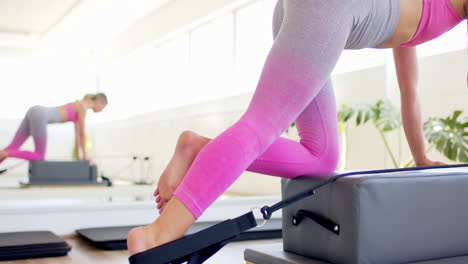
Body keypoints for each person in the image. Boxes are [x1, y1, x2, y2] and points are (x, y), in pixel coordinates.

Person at [127, 0, 467, 254]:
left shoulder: (415, 18)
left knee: (321, 156)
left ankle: (199, 148)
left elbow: (410, 91)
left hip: (310, 12)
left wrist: (420, 155)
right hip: (328, 10)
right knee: (260, 125)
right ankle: (157, 234)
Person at [0, 93, 108, 164]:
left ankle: (4, 153)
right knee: (39, 156)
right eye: (103, 107)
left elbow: (77, 136)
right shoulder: (83, 106)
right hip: (40, 116)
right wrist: (85, 157)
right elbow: (82, 134)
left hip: (34, 110)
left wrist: (79, 157)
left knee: (12, 146)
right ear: (99, 102)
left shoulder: (78, 104)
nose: (102, 110)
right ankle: (4, 154)